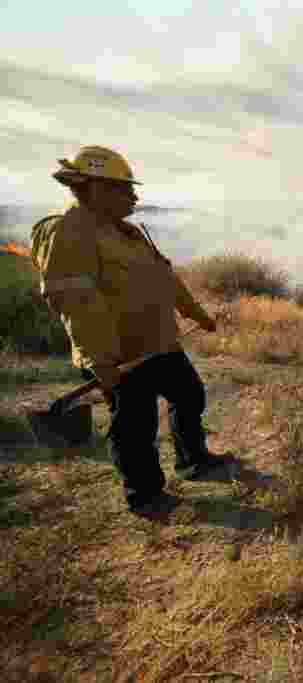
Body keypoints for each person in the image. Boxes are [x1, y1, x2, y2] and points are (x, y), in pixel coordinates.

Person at [30, 145, 229, 514]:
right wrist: (100, 361)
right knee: (134, 428)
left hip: (159, 343)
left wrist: (195, 313)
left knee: (190, 395)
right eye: (125, 189)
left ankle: (193, 460)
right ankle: (145, 495)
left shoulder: (128, 233)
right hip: (119, 355)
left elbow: (165, 278)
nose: (134, 196)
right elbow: (75, 303)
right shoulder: (69, 231)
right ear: (95, 188)